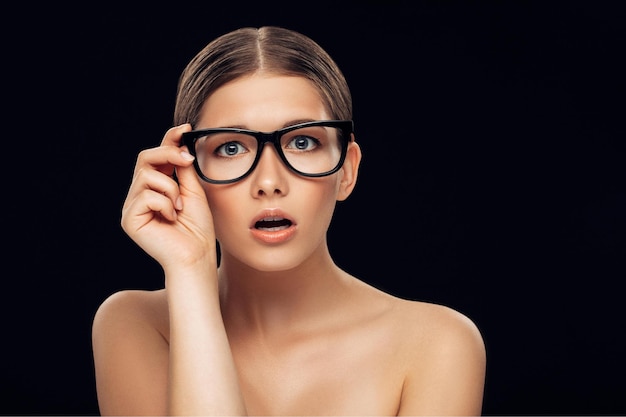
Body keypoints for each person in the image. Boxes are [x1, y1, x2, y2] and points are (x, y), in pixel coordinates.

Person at [91, 26, 486, 416]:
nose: (268, 183)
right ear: (185, 171)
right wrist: (190, 271)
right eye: (231, 147)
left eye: (302, 142)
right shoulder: (134, 324)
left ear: (346, 171)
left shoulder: (438, 344)